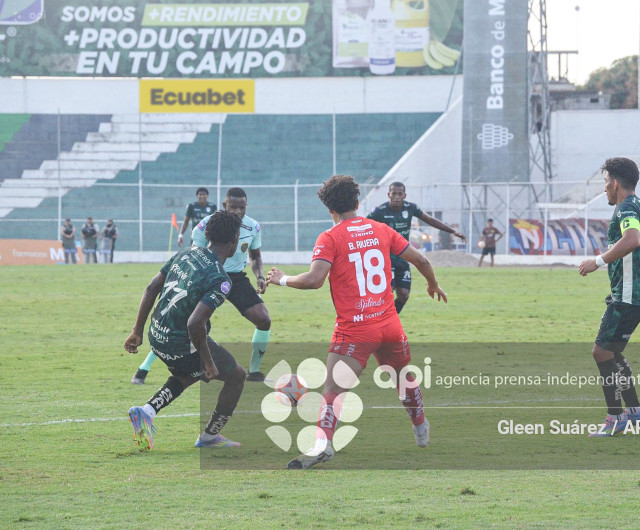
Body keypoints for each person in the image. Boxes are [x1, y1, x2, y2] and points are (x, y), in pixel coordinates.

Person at [266, 174, 448, 469]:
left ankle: (322, 445)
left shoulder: (330, 237)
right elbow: (422, 260)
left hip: (356, 330)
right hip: (389, 324)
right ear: (357, 202)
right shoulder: (381, 229)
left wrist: (282, 279)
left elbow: (314, 280)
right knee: (402, 377)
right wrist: (433, 284)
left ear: (330, 210)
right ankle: (420, 428)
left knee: (333, 390)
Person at [125, 210, 247, 450]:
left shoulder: (185, 253)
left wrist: (137, 331)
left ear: (207, 234)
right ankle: (210, 437)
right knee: (236, 376)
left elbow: (151, 288)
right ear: (234, 241)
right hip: (180, 342)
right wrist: (209, 363)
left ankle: (146, 412)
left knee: (188, 372)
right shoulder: (220, 279)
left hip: (156, 336)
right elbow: (195, 324)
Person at [131, 187, 272, 384]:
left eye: (242, 207)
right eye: (233, 207)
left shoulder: (253, 227)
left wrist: (259, 276)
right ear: (224, 205)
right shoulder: (207, 225)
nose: (238, 211)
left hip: (235, 278)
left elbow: (255, 256)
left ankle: (254, 372)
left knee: (263, 319)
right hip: (206, 276)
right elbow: (195, 256)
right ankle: (143, 369)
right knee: (181, 321)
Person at [578, 157, 640, 437]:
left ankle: (615, 418)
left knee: (601, 352)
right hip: (638, 295)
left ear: (616, 183)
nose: (604, 187)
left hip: (628, 296)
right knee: (612, 351)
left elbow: (632, 240)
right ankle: (634, 411)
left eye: (606, 182)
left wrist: (597, 261)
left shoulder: (627, 208)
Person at [367, 182, 464, 314]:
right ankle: (379, 321)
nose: (396, 197)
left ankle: (389, 319)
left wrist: (452, 231)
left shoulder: (410, 208)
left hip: (403, 257)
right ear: (388, 194)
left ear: (404, 195)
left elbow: (430, 220)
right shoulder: (379, 211)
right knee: (387, 292)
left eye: (400, 194)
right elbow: (364, 225)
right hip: (386, 259)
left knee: (404, 295)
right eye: (394, 193)